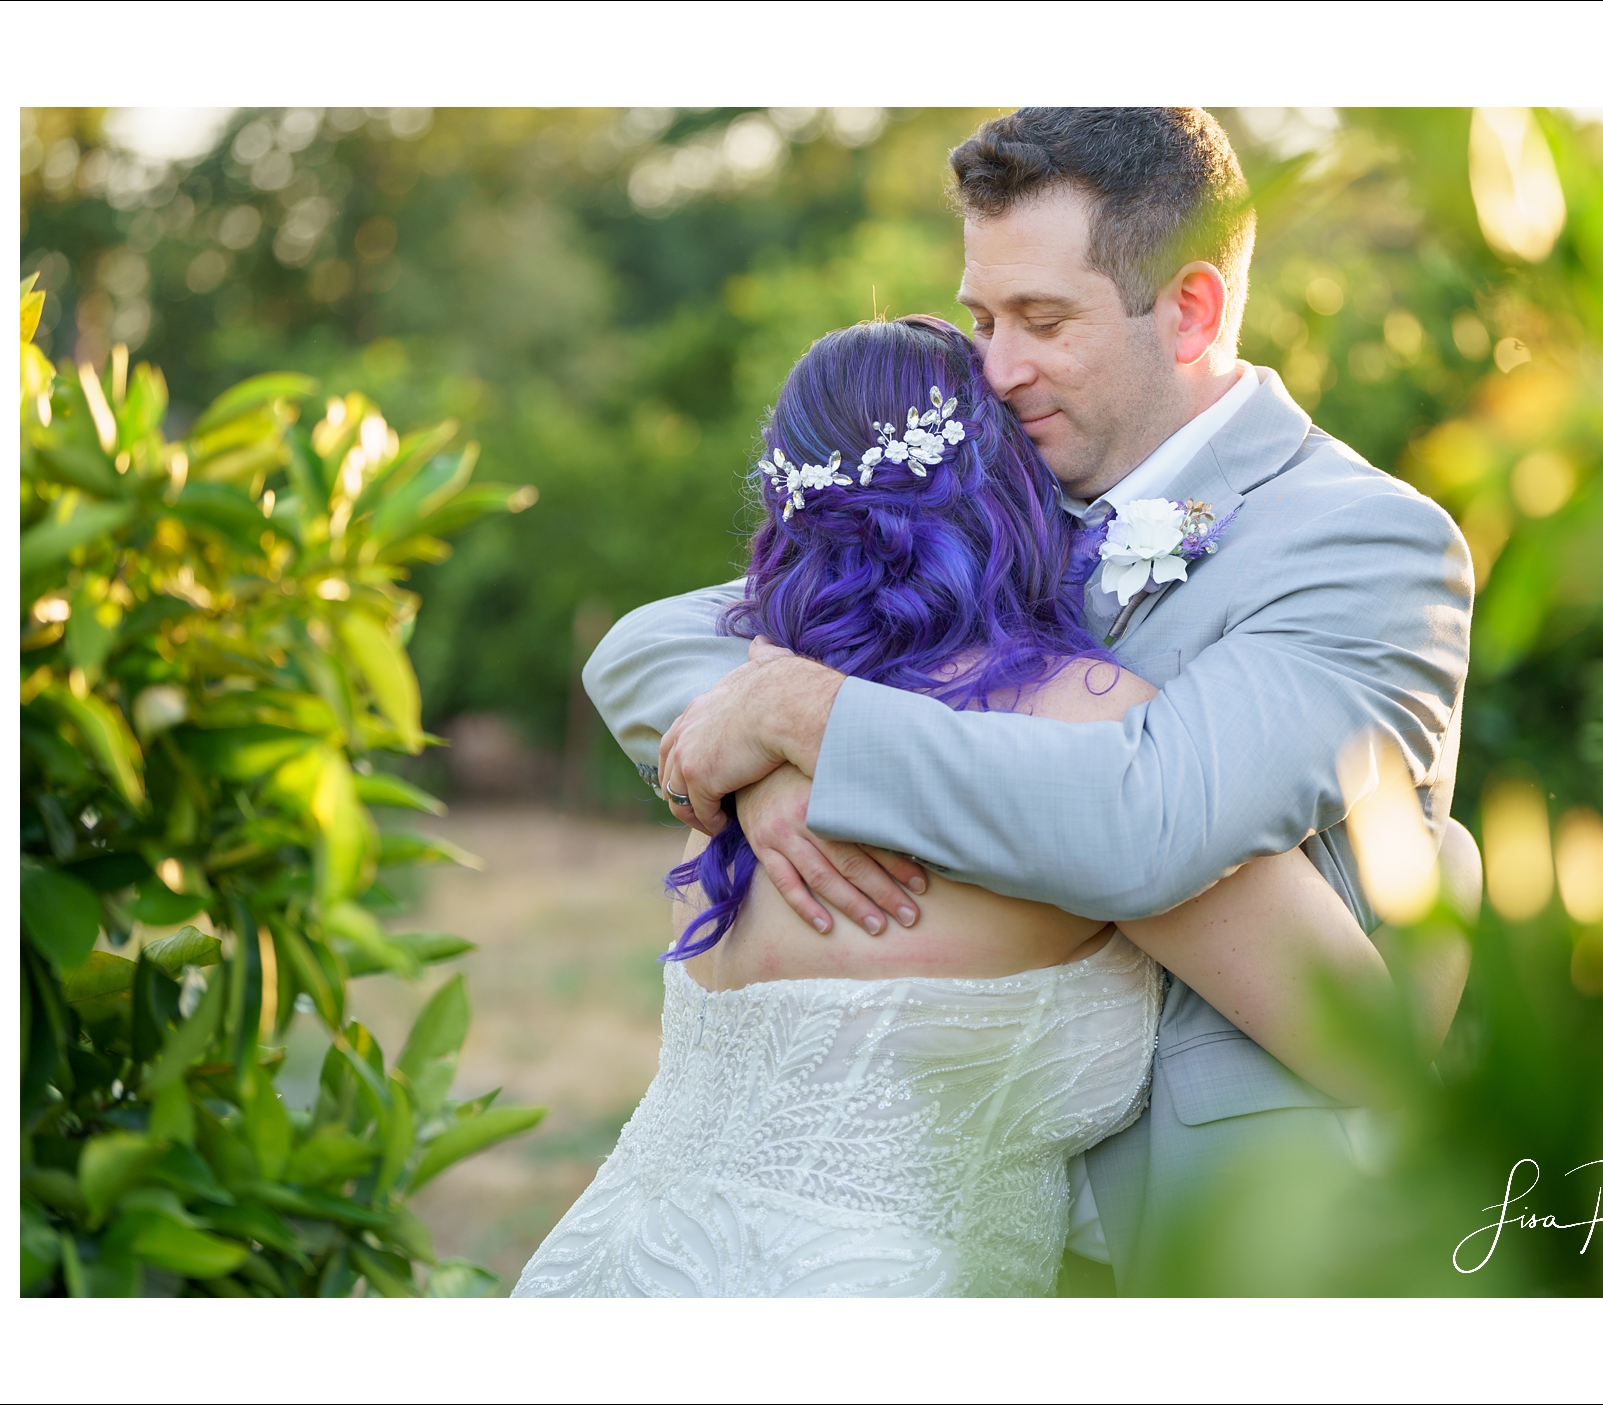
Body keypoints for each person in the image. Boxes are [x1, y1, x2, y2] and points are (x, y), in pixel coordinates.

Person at [582, 109, 1475, 1293]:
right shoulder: (995, 491)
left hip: (1220, 1245)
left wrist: (814, 726)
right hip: (953, 1229)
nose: (993, 370)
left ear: (1194, 309)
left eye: (1042, 322)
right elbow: (652, 642)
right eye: (981, 318)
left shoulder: (1364, 544)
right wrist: (765, 772)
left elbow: (1152, 823)